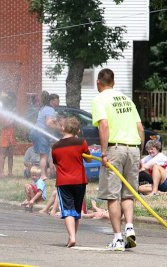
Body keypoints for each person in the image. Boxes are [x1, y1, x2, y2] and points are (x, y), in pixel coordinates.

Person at [91, 68, 144, 251]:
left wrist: (103, 153)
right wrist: (140, 154)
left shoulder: (99, 99)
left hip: (115, 149)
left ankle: (118, 238)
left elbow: (104, 125)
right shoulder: (127, 100)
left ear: (99, 82)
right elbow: (140, 129)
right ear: (113, 82)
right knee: (128, 193)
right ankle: (129, 227)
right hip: (134, 149)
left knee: (112, 195)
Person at [52, 116, 91, 248]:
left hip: (64, 182)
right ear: (78, 130)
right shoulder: (81, 142)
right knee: (76, 211)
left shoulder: (56, 146)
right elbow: (89, 159)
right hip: (80, 181)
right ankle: (73, 237)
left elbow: (56, 165)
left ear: (63, 129)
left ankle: (72, 237)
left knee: (67, 210)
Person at [30, 91, 62, 181]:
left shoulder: (44, 108)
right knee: (44, 156)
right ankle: (43, 175)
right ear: (52, 101)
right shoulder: (49, 109)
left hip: (37, 132)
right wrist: (60, 129)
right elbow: (48, 123)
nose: (58, 102)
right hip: (40, 134)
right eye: (57, 100)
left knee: (43, 155)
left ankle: (38, 173)